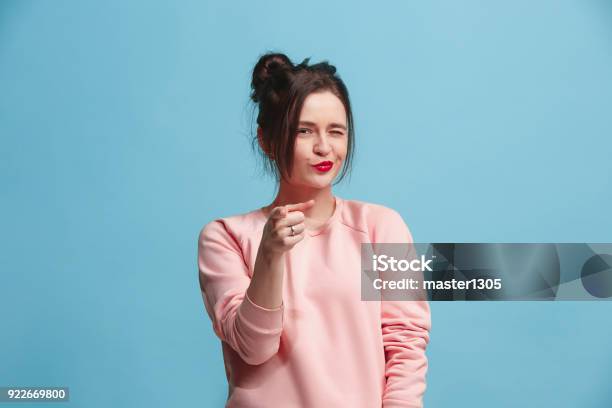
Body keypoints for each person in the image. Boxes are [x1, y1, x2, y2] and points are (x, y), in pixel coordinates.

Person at [197, 52, 431, 408]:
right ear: (266, 140)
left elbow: (405, 344)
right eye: (304, 130)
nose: (324, 147)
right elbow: (254, 348)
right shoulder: (225, 237)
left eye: (336, 131)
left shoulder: (382, 227)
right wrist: (270, 255)